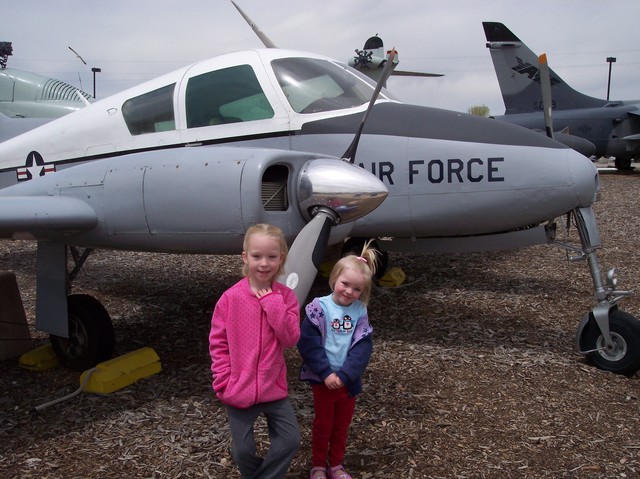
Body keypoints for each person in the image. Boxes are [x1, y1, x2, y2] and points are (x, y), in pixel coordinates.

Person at [209, 223, 301, 479]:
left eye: (271, 256)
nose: (264, 263)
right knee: (243, 451)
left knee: (290, 439)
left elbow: (291, 338)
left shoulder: (286, 298)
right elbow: (218, 343)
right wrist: (223, 379)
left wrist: (272, 303)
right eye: (257, 256)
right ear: (245, 257)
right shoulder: (230, 298)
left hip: (273, 386)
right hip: (238, 387)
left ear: (281, 258)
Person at [297, 241, 378, 479]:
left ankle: (336, 466)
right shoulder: (319, 308)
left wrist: (344, 376)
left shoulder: (359, 311)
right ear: (334, 279)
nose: (349, 292)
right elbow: (308, 343)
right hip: (324, 381)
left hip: (347, 382)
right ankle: (318, 466)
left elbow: (362, 347)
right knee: (323, 425)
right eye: (345, 284)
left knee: (341, 426)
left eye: (357, 290)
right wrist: (326, 373)